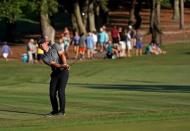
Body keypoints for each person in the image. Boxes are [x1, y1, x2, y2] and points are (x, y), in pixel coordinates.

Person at [37, 36, 69, 116]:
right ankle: (55, 110)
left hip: (64, 73)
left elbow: (62, 55)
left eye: (42, 44)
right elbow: (55, 65)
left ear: (46, 43)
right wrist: (63, 65)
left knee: (61, 92)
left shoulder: (55, 46)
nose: (40, 46)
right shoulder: (44, 57)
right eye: (39, 45)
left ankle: (62, 111)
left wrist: (65, 64)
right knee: (52, 93)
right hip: (55, 72)